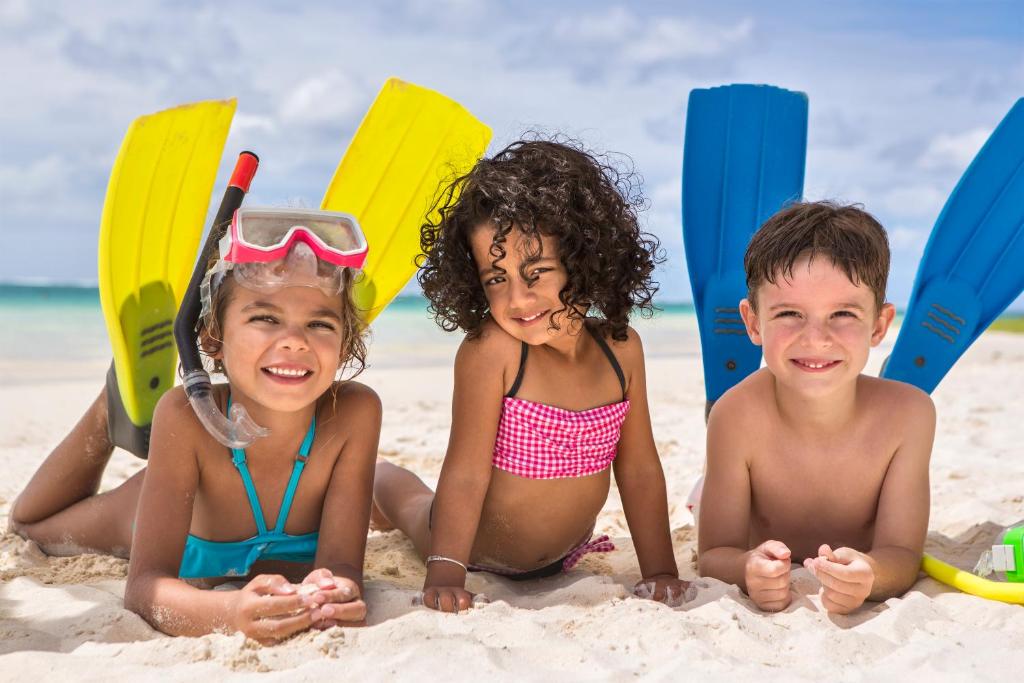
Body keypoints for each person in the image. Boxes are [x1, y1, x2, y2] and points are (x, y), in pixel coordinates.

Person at [9, 208, 381, 642]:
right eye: (265, 318)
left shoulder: (355, 414)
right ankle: (110, 409)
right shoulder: (184, 418)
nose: (295, 340)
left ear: (346, 342)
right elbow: (145, 589)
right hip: (158, 515)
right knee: (31, 525)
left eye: (320, 324)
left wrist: (337, 590)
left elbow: (343, 567)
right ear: (211, 338)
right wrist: (229, 611)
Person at [371, 138, 688, 613]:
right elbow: (464, 473)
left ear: (586, 261)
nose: (517, 300)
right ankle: (374, 477)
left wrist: (661, 570)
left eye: (536, 272)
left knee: (415, 500)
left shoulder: (621, 351)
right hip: (468, 547)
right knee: (410, 503)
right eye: (496, 279)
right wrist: (445, 572)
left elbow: (640, 469)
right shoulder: (493, 351)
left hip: (563, 560)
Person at [697, 201, 936, 614]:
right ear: (753, 323)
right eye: (789, 313)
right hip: (728, 470)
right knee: (703, 491)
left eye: (842, 313)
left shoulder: (909, 416)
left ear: (879, 325)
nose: (816, 338)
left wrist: (872, 574)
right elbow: (715, 553)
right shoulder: (735, 416)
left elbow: (901, 552)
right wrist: (746, 568)